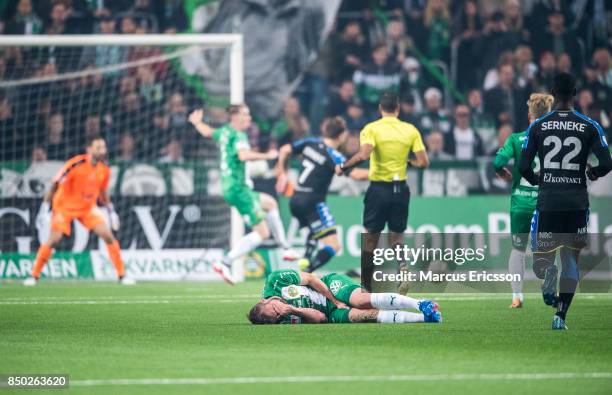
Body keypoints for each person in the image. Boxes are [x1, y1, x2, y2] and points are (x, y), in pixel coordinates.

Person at [519, 73, 612, 330]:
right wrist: (594, 172)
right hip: (576, 203)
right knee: (571, 259)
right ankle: (560, 315)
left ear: (552, 92)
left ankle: (548, 271)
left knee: (541, 259)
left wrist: (537, 179)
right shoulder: (589, 125)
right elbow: (607, 162)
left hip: (549, 201)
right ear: (575, 93)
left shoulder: (538, 126)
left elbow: (523, 166)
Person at [188, 105, 298, 284]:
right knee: (262, 232)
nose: (249, 118)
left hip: (233, 187)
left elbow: (207, 132)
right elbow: (244, 155)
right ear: (235, 116)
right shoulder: (238, 135)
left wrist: (197, 123)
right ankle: (225, 261)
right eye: (246, 114)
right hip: (239, 188)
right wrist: (267, 155)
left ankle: (285, 248)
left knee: (270, 203)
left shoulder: (224, 132)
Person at [335, 92, 429, 291]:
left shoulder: (372, 129)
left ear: (380, 109)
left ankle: (366, 287)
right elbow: (423, 162)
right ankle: (402, 267)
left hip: (379, 189)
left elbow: (364, 154)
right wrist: (407, 162)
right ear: (398, 108)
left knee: (370, 237)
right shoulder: (410, 130)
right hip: (401, 190)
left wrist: (343, 166)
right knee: (397, 238)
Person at [23, 136, 133, 286]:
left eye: (103, 147)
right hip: (64, 207)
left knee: (108, 235)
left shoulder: (104, 170)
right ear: (89, 149)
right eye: (98, 147)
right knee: (55, 239)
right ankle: (33, 275)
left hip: (87, 209)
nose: (102, 151)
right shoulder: (75, 164)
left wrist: (111, 211)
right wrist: (44, 209)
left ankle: (122, 275)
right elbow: (54, 185)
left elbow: (103, 193)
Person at [275, 117, 368, 273]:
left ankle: (305, 258)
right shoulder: (334, 156)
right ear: (341, 136)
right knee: (334, 245)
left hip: (296, 199)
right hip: (313, 202)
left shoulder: (310, 143)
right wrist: (382, 172)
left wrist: (282, 174)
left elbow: (284, 150)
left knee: (315, 231)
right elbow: (356, 175)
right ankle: (306, 272)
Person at [493, 93, 554, 308]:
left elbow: (497, 161)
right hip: (546, 202)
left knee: (518, 250)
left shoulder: (516, 139)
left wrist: (504, 174)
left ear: (529, 115)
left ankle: (517, 297)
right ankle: (549, 285)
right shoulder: (555, 139)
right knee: (548, 247)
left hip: (521, 203)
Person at [247, 269, 441, 324]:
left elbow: (312, 279)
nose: (279, 310)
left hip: (329, 287)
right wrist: (293, 310)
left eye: (274, 309)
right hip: (329, 314)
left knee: (359, 300)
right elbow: (320, 318)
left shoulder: (275, 281)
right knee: (365, 315)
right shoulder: (283, 318)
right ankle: (425, 317)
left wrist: (336, 300)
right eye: (277, 316)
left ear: (265, 300)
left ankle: (420, 303)